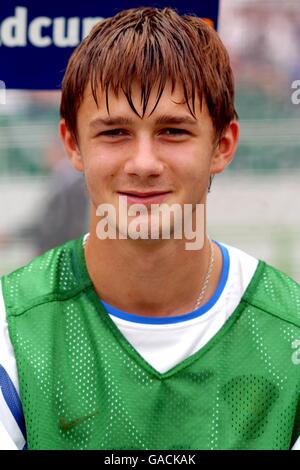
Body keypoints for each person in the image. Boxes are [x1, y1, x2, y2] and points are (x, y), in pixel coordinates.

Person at [0, 7, 299, 451]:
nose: (143, 163)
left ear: (223, 145)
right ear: (71, 145)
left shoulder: (289, 333)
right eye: (115, 132)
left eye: (173, 131)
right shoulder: (11, 328)